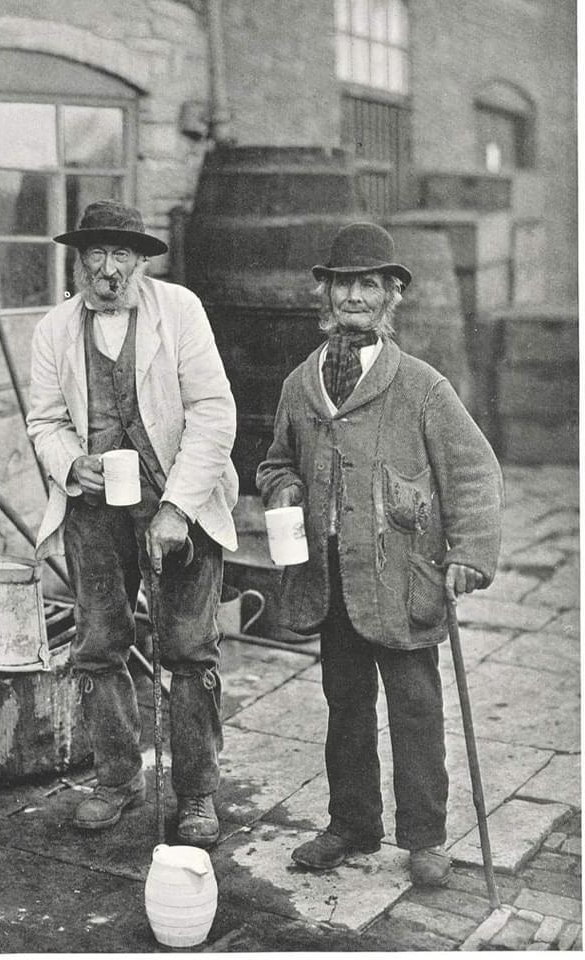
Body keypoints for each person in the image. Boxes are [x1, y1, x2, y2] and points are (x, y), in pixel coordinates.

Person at [256, 222, 503, 886]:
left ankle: (424, 836)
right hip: (331, 578)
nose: (355, 297)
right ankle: (352, 824)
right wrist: (283, 487)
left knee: (416, 708)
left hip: (403, 579)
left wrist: (470, 553)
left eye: (369, 284)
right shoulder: (300, 384)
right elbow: (276, 461)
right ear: (326, 294)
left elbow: (475, 473)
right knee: (345, 702)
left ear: (390, 295)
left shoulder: (421, 386)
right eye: (343, 285)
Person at [27, 200, 238, 847]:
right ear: (79, 261)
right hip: (96, 516)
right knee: (97, 646)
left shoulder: (179, 312)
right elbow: (44, 421)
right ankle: (117, 777)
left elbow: (214, 413)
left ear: (140, 262)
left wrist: (175, 508)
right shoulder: (55, 329)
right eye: (96, 255)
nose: (108, 269)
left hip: (182, 503)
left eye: (122, 255)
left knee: (187, 649)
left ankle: (197, 792)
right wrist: (71, 463)